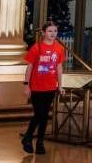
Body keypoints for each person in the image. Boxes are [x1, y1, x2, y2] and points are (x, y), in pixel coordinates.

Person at [22, 22, 64, 155]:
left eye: (55, 31)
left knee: (44, 116)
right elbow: (29, 66)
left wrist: (60, 85)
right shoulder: (36, 47)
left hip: (51, 87)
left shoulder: (59, 48)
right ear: (44, 32)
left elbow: (59, 67)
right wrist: (26, 85)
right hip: (37, 87)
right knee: (39, 114)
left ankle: (39, 142)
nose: (53, 34)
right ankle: (28, 137)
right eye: (50, 31)